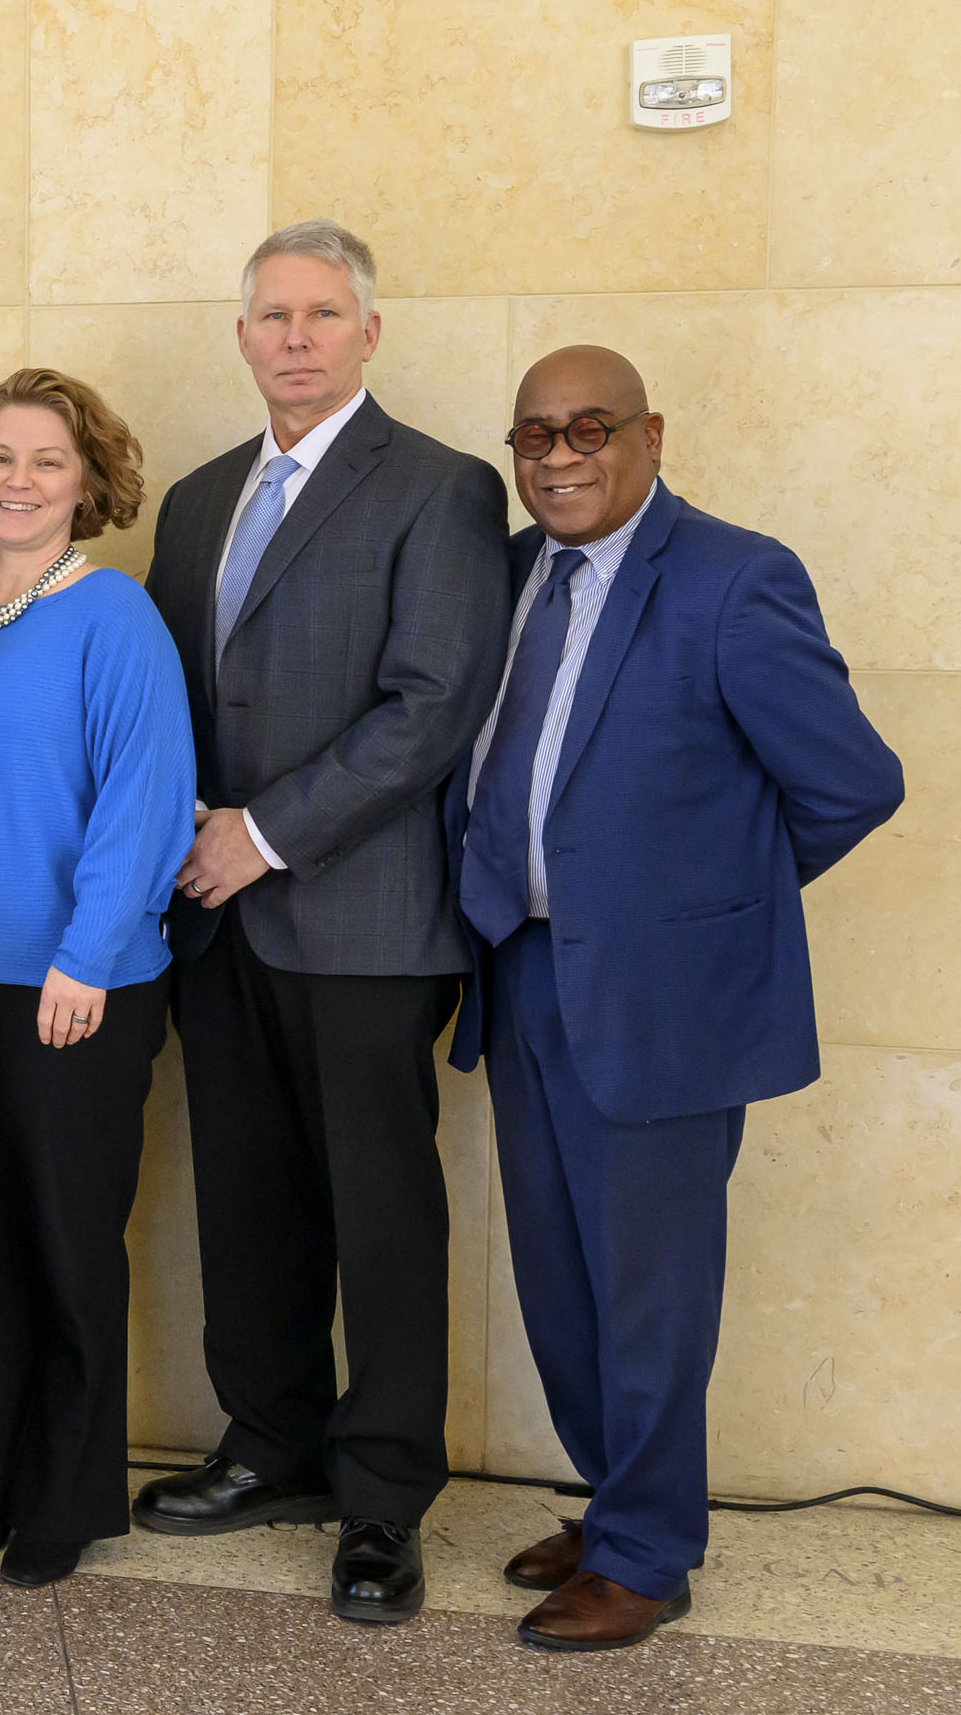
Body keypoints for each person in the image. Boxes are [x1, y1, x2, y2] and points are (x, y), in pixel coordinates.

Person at [449, 348, 899, 1651]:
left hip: (660, 998)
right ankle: (616, 1506)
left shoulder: (732, 578)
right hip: (520, 968)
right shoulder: (512, 574)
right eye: (533, 435)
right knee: (558, 1280)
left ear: (651, 435)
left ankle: (648, 1552)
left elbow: (852, 782)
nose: (558, 456)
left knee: (649, 1291)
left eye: (588, 428)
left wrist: (695, 909)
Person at [136, 220, 512, 1624]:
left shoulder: (439, 487)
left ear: (368, 332)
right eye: (272, 316)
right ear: (240, 337)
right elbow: (169, 700)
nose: (294, 337)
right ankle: (272, 1444)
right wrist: (180, 830)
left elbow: (432, 705)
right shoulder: (196, 499)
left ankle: (383, 1498)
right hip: (214, 920)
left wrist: (263, 832)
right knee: (246, 1200)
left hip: (364, 921)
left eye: (321, 314)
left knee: (380, 1215)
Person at [0, 370, 194, 1591]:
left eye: (46, 461)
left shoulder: (114, 615)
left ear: (88, 483)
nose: (16, 480)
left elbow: (146, 794)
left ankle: (67, 1501)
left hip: (78, 986)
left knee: (69, 1249)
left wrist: (85, 953)